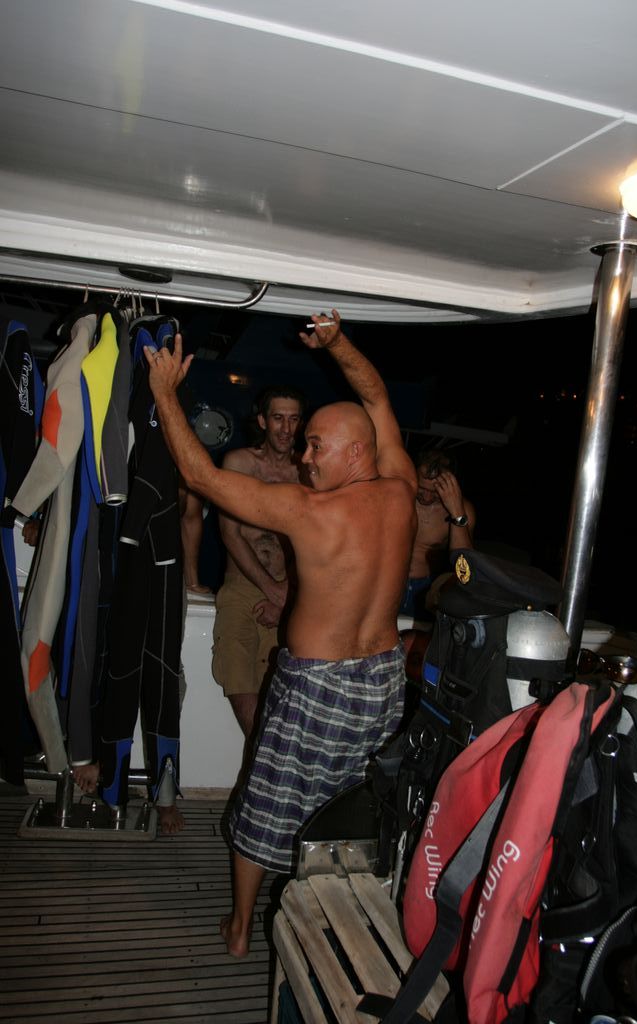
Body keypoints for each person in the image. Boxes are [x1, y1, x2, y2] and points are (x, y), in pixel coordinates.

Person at [144, 309, 417, 958]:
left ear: (356, 453)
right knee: (350, 799)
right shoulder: (402, 493)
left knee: (268, 798)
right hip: (382, 681)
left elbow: (201, 478)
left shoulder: (310, 512)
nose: (303, 456)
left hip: (317, 685)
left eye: (317, 445)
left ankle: (241, 928)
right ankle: (334, 915)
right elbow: (376, 396)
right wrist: (339, 343)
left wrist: (164, 395)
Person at [212, 385, 305, 757]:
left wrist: (287, 595)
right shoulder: (239, 463)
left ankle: (261, 776)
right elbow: (229, 533)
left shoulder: (306, 472)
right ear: (263, 421)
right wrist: (273, 590)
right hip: (243, 587)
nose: (286, 428)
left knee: (281, 691)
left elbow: (311, 541)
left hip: (290, 591)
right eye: (278, 418)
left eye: (294, 419)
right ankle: (264, 768)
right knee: (237, 679)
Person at [399, 450, 476, 621]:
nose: (426, 497)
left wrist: (456, 512)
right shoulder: (398, 497)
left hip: (427, 589)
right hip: (390, 581)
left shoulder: (463, 510)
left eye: (435, 491)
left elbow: (464, 571)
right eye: (422, 488)